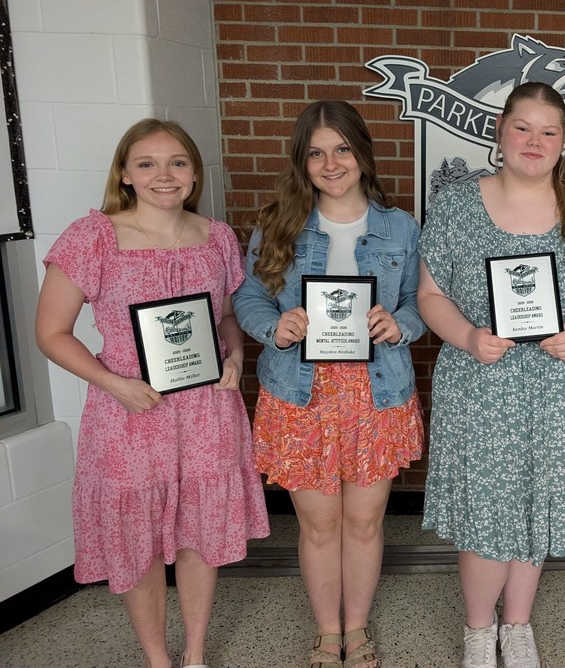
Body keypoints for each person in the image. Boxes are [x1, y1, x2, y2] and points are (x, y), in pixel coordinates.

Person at [34, 119, 269, 668]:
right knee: (136, 541)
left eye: (177, 163)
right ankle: (158, 659)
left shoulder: (215, 238)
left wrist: (234, 356)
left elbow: (229, 315)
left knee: (198, 534)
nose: (164, 175)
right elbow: (50, 333)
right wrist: (115, 384)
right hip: (130, 414)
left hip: (206, 410)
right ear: (125, 173)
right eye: (147, 163)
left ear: (194, 173)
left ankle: (194, 654)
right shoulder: (92, 237)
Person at [417, 81, 565, 668]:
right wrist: (467, 336)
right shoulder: (457, 204)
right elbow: (430, 295)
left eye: (548, 131)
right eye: (522, 127)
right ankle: (480, 632)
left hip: (563, 387)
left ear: (564, 142)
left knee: (537, 504)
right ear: (500, 133)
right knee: (489, 510)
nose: (534, 141)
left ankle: (518, 625)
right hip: (483, 383)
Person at [233, 100, 424, 668]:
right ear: (302, 161)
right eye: (316, 152)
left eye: (341, 148)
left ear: (361, 154)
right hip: (300, 393)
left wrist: (400, 323)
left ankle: (358, 629)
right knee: (319, 527)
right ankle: (327, 633)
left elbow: (419, 301)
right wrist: (276, 326)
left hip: (377, 391)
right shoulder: (279, 224)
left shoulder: (399, 227)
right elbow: (248, 297)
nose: (331, 162)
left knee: (364, 523)